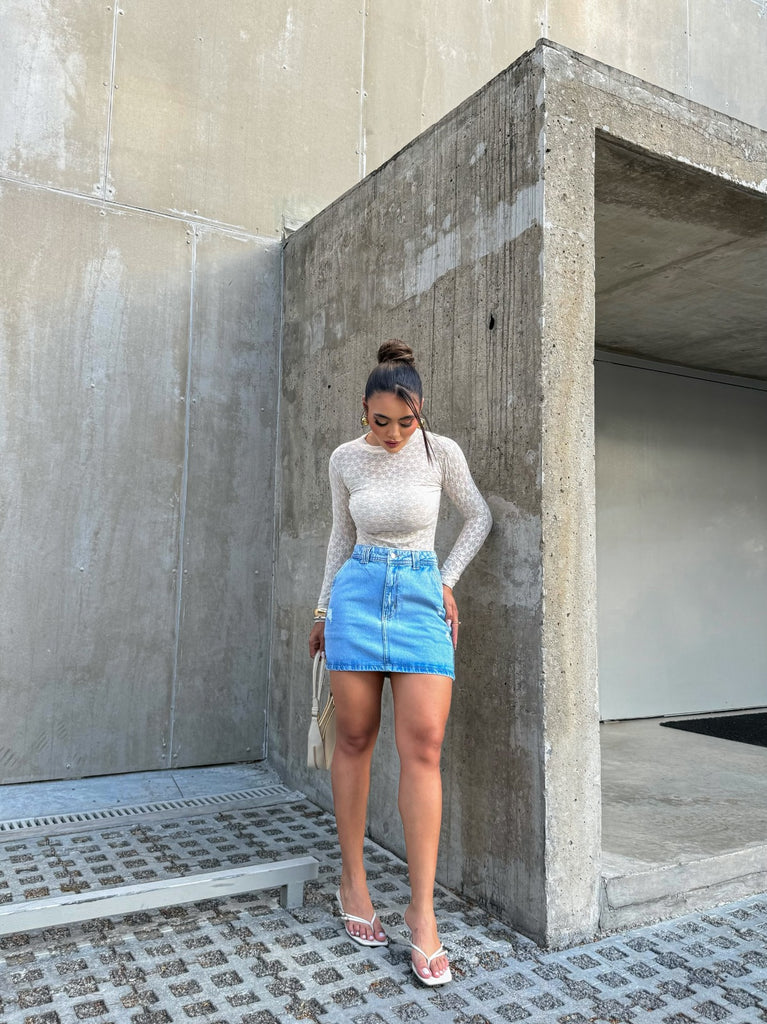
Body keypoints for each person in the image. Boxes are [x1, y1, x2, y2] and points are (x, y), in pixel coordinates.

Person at [309, 340, 492, 987]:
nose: (392, 434)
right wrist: (323, 610)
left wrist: (446, 579)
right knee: (354, 738)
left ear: (420, 413)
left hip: (418, 600)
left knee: (424, 747)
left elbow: (478, 517)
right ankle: (353, 882)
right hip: (357, 599)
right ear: (364, 409)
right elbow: (339, 535)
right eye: (381, 420)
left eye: (405, 422)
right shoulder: (344, 459)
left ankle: (422, 913)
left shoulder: (441, 453)